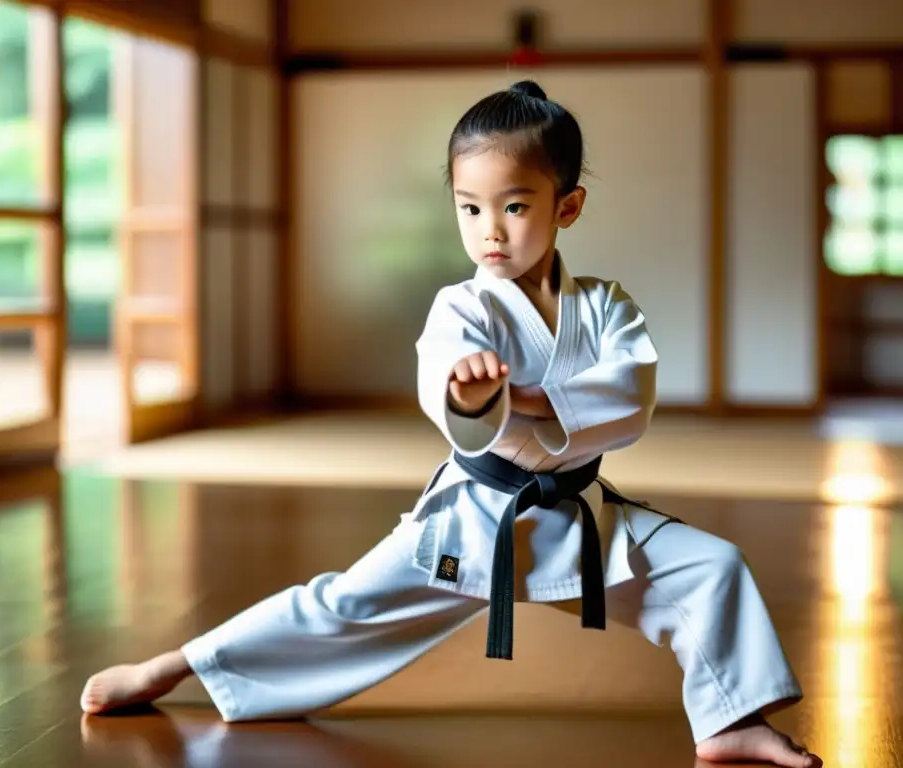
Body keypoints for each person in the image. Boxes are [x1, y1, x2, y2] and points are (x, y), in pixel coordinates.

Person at [81, 79, 821, 768]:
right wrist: (475, 398)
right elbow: (454, 398)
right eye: (470, 207)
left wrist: (529, 398)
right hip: (474, 520)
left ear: (567, 206)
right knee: (339, 606)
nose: (488, 230)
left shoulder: (605, 305)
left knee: (710, 567)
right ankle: (175, 665)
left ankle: (728, 721)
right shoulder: (462, 309)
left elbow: (633, 392)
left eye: (514, 206)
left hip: (580, 518)